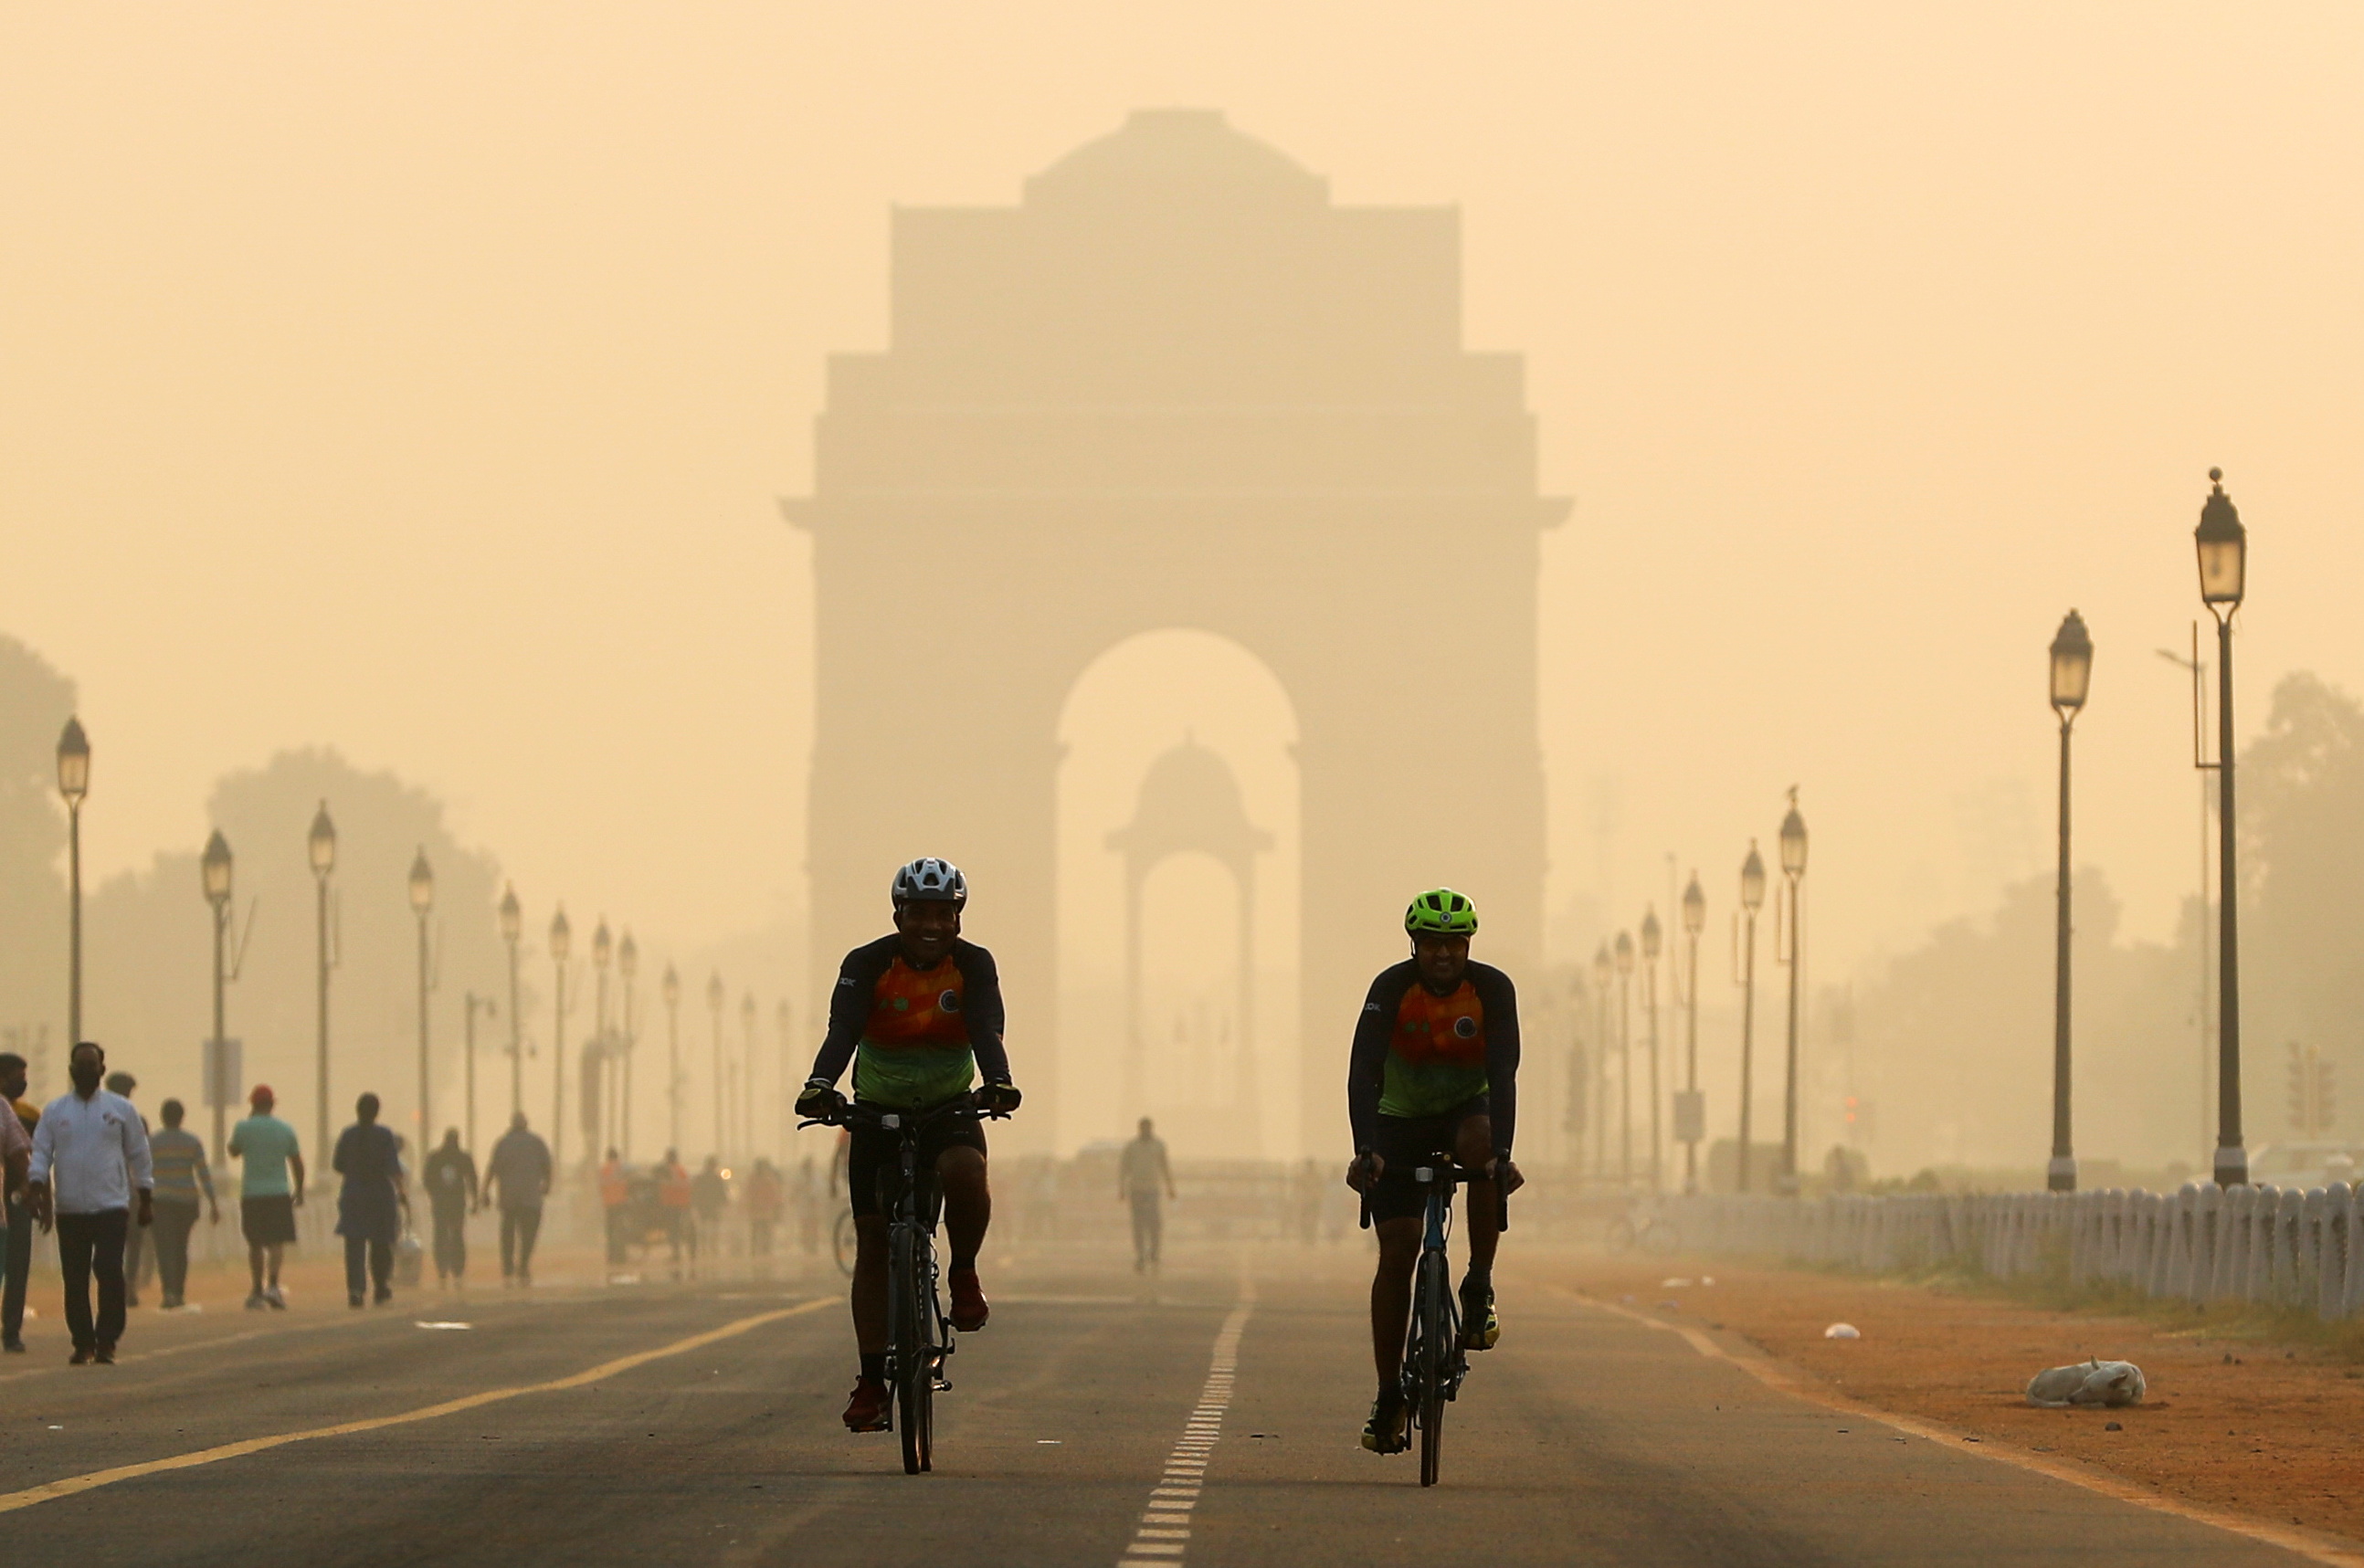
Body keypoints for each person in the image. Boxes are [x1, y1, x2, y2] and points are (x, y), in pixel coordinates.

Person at [794, 856, 1021, 1434]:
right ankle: (871, 1381)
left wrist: (997, 1082)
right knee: (872, 1242)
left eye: (942, 914)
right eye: (918, 913)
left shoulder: (974, 966)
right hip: (875, 1111)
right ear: (898, 916)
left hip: (949, 1106)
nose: (930, 925)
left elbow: (984, 1028)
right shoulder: (866, 964)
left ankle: (964, 1272)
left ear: (958, 920)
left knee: (967, 1170)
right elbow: (842, 1030)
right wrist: (821, 1084)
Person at [1345, 889, 1523, 1455]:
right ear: (1414, 945)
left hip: (1465, 1113)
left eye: (1455, 943)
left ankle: (1477, 1283)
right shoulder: (1391, 989)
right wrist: (1366, 1149)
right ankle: (1389, 1391)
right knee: (1396, 1251)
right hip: (1399, 1120)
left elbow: (1504, 1072)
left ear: (1468, 945)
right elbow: (1362, 1073)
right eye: (1432, 944)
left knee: (1483, 1148)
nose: (1444, 954)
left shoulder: (1492, 989)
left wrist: (1503, 1154)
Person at [25, 1042, 153, 1364]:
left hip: (111, 1204)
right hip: (70, 1209)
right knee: (76, 1277)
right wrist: (37, 1185)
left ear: (102, 1070)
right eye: (79, 1066)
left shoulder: (121, 1109)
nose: (85, 1072)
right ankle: (83, 1342)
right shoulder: (55, 1112)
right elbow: (41, 1152)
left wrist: (146, 1195)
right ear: (70, 1071)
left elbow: (139, 1153)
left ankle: (107, 1340)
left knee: (109, 1269)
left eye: (91, 1066)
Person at [229, 1085, 305, 1310]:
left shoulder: (243, 1127)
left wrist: (249, 1122)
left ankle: (256, 1290)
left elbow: (233, 1151)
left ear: (253, 1104)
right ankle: (273, 1285)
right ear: (272, 1104)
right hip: (279, 1192)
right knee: (276, 1243)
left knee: (255, 1243)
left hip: (252, 1193)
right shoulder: (285, 1129)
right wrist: (299, 1190)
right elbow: (297, 1163)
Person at [332, 1093, 407, 1307]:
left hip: (354, 1194)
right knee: (381, 1243)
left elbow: (337, 1165)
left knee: (354, 1245)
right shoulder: (385, 1136)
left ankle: (356, 1290)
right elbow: (394, 1168)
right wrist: (402, 1192)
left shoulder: (348, 1135)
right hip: (380, 1195)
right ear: (377, 1112)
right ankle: (381, 1286)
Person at [147, 1099, 219, 1310]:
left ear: (162, 1117)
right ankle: (178, 1292)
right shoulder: (192, 1141)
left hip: (160, 1201)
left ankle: (168, 1292)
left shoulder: (153, 1142)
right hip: (187, 1202)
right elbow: (203, 1173)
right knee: (180, 1247)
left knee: (164, 1249)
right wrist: (213, 1202)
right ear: (182, 1117)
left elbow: (143, 1173)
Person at [481, 1111, 551, 1286]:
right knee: (529, 1234)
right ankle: (524, 1264)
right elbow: (547, 1166)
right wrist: (547, 1184)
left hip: (509, 1197)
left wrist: (485, 1191)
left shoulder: (503, 1143)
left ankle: (508, 1265)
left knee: (507, 1233)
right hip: (530, 1198)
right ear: (526, 1124)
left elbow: (492, 1168)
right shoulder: (536, 1142)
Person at [104, 1071, 153, 1306]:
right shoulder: (138, 1120)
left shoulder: (94, 1116)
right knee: (132, 1242)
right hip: (126, 1189)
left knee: (115, 1242)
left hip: (106, 1187)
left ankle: (120, 1287)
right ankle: (127, 1287)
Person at [1, 1052, 37, 1352]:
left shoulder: (29, 1115)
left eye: (24, 1077)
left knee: (17, 1266)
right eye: (17, 1077)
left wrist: (37, 1192)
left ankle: (11, 1331)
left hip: (17, 1199)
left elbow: (35, 1157)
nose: (22, 1083)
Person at [1118, 1117, 1176, 1272]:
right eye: (1143, 1128)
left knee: (1154, 1223)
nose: (1145, 1131)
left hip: (1152, 1189)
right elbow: (1124, 1168)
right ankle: (1140, 1254)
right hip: (1136, 1189)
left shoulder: (1158, 1146)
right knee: (1138, 1224)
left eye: (1147, 1128)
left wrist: (1170, 1187)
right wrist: (1121, 1188)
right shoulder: (1132, 1147)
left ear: (1151, 1128)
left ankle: (1155, 1253)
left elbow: (1165, 1167)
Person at [422, 1129, 477, 1285]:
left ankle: (442, 1268)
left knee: (441, 1234)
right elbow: (472, 1179)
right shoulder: (463, 1157)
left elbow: (427, 1180)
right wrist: (474, 1200)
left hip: (441, 1202)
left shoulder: (435, 1157)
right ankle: (457, 1269)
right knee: (457, 1235)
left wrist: (434, 1194)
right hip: (457, 1202)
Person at [654, 1148, 691, 1277]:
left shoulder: (670, 1171)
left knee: (673, 1229)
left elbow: (675, 1184)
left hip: (672, 1204)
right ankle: (676, 1252)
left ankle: (676, 1253)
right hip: (680, 1204)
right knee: (676, 1228)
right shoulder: (681, 1170)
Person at [690, 1154, 730, 1271]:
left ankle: (703, 1248)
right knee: (714, 1228)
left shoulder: (699, 1177)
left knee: (703, 1227)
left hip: (703, 1207)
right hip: (714, 1206)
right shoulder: (717, 1178)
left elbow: (694, 1192)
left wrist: (694, 1204)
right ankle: (713, 1247)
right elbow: (722, 1193)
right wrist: (724, 1202)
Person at [744, 1158, 784, 1258]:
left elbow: (774, 1193)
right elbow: (749, 1193)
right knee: (758, 1229)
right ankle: (758, 1249)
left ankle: (762, 1249)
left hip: (763, 1208)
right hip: (759, 1208)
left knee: (762, 1229)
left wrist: (776, 1205)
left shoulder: (766, 1179)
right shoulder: (760, 1178)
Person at [599, 1148, 629, 1265]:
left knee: (610, 1231)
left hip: (609, 1204)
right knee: (621, 1229)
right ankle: (622, 1256)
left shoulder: (604, 1169)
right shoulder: (622, 1168)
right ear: (617, 1157)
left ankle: (611, 1256)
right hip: (621, 1203)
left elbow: (601, 1186)